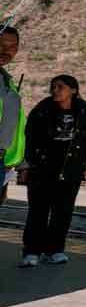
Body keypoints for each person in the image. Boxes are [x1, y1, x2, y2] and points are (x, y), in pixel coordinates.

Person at [19, 75, 86, 267]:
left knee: (63, 211)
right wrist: (25, 166)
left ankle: (55, 250)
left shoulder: (84, 110)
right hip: (42, 168)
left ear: (73, 90)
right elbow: (28, 139)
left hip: (70, 169)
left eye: (60, 87)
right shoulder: (42, 109)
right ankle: (31, 251)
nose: (55, 90)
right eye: (53, 87)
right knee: (38, 211)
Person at [0, 26, 26, 191]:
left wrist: (16, 162)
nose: (5, 51)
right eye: (1, 45)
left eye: (12, 47)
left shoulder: (8, 82)